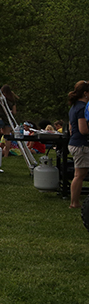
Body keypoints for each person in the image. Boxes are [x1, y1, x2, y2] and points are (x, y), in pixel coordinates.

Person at [67, 81, 89, 209]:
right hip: (81, 144)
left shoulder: (74, 107)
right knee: (79, 175)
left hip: (74, 142)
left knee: (79, 174)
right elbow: (84, 130)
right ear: (85, 93)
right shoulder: (82, 108)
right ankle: (74, 203)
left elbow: (71, 127)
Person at [0, 85, 19, 157]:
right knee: (7, 138)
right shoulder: (12, 99)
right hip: (8, 120)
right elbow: (14, 112)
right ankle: (6, 154)